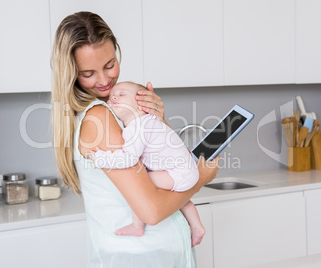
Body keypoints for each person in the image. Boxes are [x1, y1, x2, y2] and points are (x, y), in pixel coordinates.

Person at [51, 11, 220, 267]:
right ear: (71, 73)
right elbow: (150, 211)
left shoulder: (108, 111)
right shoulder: (100, 116)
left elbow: (156, 166)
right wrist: (199, 179)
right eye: (89, 73)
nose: (105, 80)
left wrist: (155, 121)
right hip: (143, 255)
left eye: (109, 65)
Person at [90, 81, 205, 247]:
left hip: (179, 173)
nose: (114, 97)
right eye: (111, 96)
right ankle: (197, 226)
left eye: (122, 94)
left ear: (142, 103)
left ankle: (138, 225)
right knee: (181, 199)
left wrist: (101, 158)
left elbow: (128, 158)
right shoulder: (148, 121)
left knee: (140, 185)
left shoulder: (139, 126)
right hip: (185, 171)